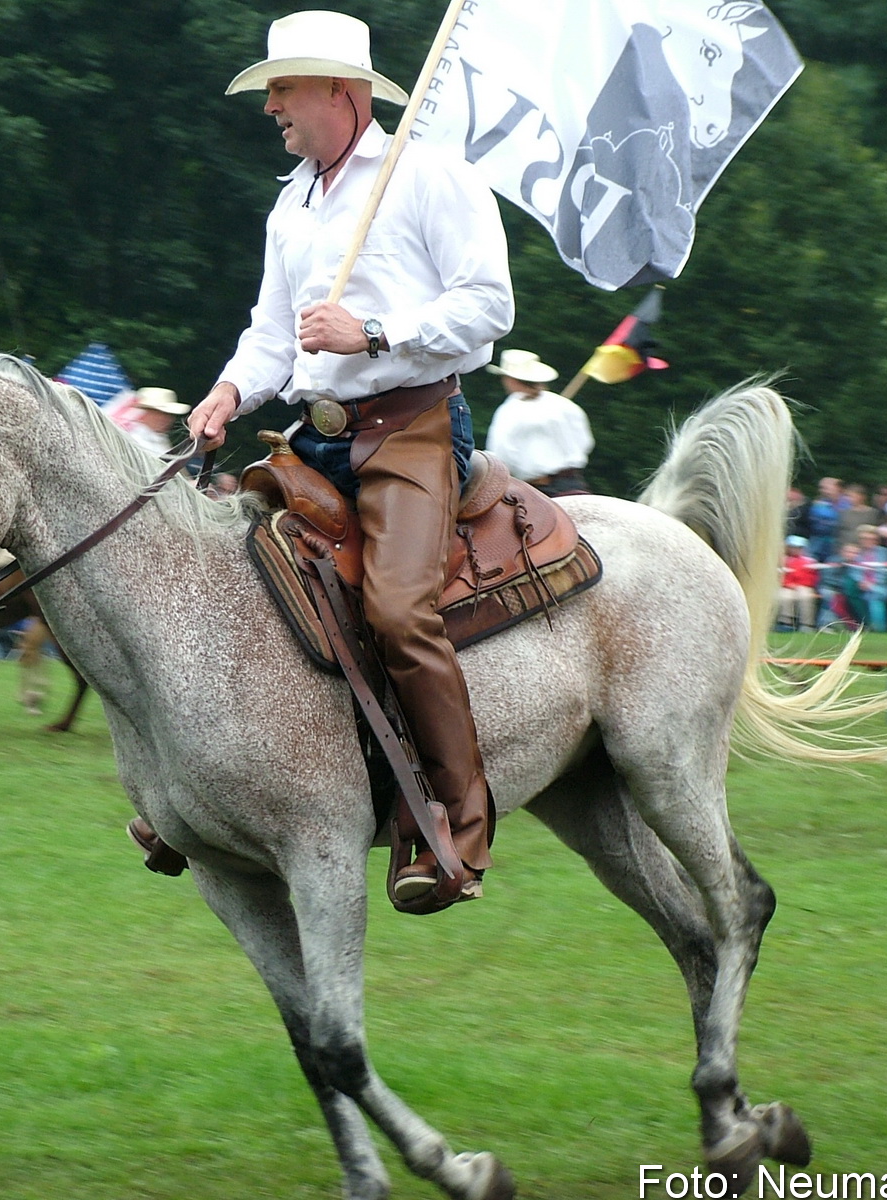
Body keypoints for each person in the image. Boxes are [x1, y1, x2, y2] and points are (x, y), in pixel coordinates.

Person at [178, 10, 515, 909]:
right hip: (315, 437)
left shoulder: (430, 175)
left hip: (413, 427)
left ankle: (456, 825)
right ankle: (213, 793)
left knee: (401, 612)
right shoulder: (291, 202)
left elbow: (489, 306)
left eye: (282, 88)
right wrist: (224, 394)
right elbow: (268, 335)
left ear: (342, 91)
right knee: (226, 587)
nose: (269, 107)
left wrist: (371, 333)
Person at [482, 349, 593, 494]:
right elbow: (586, 442)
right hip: (575, 484)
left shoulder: (511, 410)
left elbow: (502, 456)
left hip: (538, 491)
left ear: (510, 379)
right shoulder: (565, 405)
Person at [118, 388, 189, 455]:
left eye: (168, 414)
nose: (164, 418)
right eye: (158, 413)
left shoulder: (162, 440)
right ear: (146, 413)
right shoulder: (133, 440)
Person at [776, 535, 817, 631]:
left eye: (798, 548)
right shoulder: (783, 560)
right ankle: (786, 623)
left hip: (803, 586)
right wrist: (789, 584)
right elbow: (780, 577)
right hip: (786, 586)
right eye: (793, 547)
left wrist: (799, 585)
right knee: (785, 596)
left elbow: (812, 578)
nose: (795, 550)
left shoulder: (809, 561)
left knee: (805, 596)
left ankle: (806, 624)